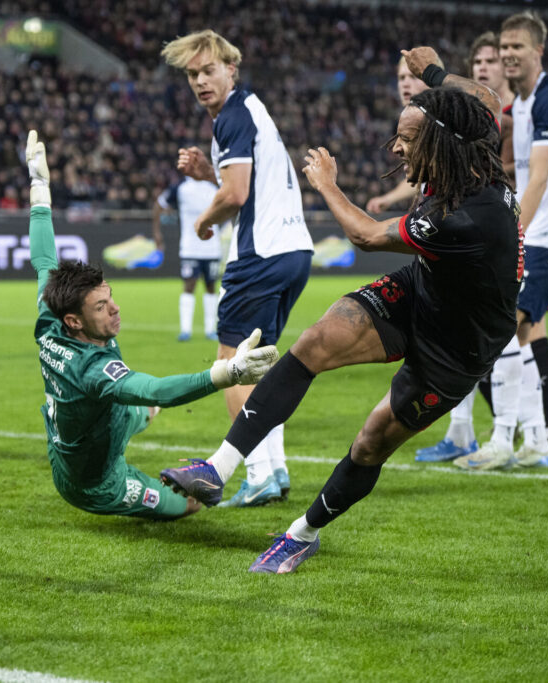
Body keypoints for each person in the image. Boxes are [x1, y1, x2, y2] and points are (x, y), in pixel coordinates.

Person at [161, 48, 522, 572]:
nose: (396, 147)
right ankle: (217, 468)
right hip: (424, 290)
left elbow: (367, 235)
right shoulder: (475, 135)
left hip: (460, 346)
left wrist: (327, 184)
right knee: (313, 342)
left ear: (443, 141)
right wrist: (437, 77)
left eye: (408, 139)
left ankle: (302, 533)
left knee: (371, 441)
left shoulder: (464, 217)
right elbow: (485, 98)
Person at [25, 130, 278, 520]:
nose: (115, 310)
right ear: (74, 321)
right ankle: (153, 489)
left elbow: (44, 259)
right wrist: (228, 372)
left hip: (82, 429)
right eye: (101, 307)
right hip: (96, 481)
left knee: (139, 408)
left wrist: (39, 187)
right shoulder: (92, 370)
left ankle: (138, 418)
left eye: (110, 297)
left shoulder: (51, 313)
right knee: (189, 504)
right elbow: (154, 386)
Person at [161, 29, 314, 507]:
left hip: (260, 257)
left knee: (233, 369)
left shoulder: (230, 117)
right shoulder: (250, 108)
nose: (201, 81)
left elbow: (237, 195)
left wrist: (205, 222)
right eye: (193, 74)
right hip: (294, 252)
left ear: (232, 68)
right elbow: (245, 181)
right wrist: (210, 174)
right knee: (262, 368)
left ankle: (259, 473)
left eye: (209, 70)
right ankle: (276, 470)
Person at [454, 11, 548, 469]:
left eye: (516, 47)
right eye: (504, 47)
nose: (509, 54)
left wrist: (512, 235)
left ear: (538, 52)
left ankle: (503, 441)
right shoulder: (526, 103)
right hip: (539, 227)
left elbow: (539, 180)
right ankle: (538, 440)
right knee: (522, 333)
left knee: (507, 325)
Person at [415, 31, 520, 463]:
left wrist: (436, 76)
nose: (482, 67)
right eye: (475, 60)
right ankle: (463, 432)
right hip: (474, 227)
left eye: (491, 60)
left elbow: (497, 118)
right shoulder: (464, 114)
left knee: (516, 325)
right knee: (467, 326)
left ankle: (518, 435)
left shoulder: (504, 112)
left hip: (497, 231)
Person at [151, 174, 223, 342]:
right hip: (190, 247)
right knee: (189, 285)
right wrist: (156, 232)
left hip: (212, 247)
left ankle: (210, 330)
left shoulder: (214, 187)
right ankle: (186, 330)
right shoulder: (180, 188)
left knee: (211, 286)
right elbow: (158, 205)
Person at [364, 56, 429, 215]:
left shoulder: (442, 124)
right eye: (401, 78)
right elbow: (422, 176)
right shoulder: (413, 123)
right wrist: (389, 199)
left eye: (413, 77)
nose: (405, 83)